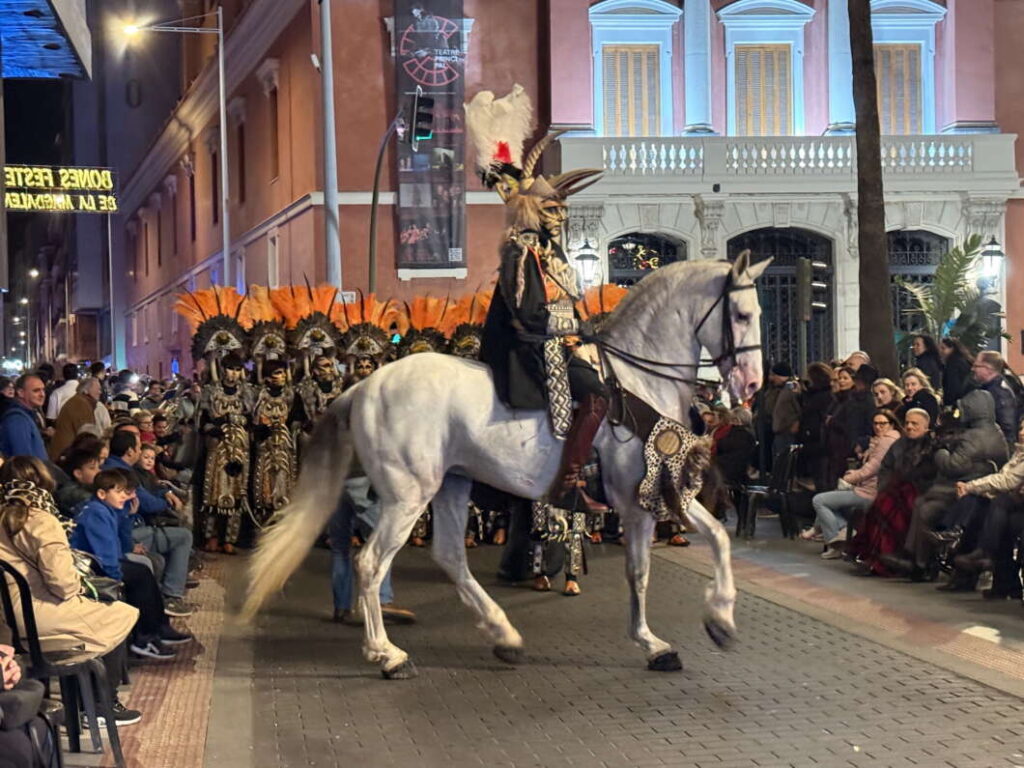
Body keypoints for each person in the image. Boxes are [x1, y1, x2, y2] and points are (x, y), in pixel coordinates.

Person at [471, 104, 607, 515]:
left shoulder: (554, 252)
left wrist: (586, 332)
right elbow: (528, 311)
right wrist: (567, 332)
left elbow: (569, 304)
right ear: (532, 209)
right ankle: (569, 480)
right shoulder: (521, 250)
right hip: (531, 345)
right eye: (551, 209)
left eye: (562, 210)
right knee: (598, 396)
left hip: (559, 340)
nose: (559, 216)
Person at [0, 457, 142, 724]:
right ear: (43, 482)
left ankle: (86, 702)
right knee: (120, 611)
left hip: (6, 620)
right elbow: (63, 585)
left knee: (98, 614)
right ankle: (101, 705)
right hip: (36, 615)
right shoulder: (40, 519)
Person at [70, 469, 191, 660]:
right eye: (119, 492)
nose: (125, 497)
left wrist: (127, 516)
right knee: (139, 576)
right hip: (92, 570)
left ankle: (159, 628)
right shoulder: (96, 513)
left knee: (142, 571)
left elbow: (121, 544)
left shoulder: (107, 510)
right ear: (102, 494)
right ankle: (144, 638)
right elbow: (105, 552)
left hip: (103, 563)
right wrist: (116, 579)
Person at [892, 389, 1008, 580]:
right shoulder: (996, 431)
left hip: (964, 488)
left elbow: (952, 466)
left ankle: (921, 564)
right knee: (923, 504)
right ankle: (918, 561)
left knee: (924, 507)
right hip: (974, 486)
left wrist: (942, 451)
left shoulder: (973, 436)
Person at [103, 431, 193, 615]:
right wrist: (165, 501)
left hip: (131, 528)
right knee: (183, 536)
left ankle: (171, 588)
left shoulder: (122, 469)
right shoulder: (122, 473)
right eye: (138, 447)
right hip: (132, 532)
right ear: (130, 451)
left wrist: (164, 494)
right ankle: (171, 595)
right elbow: (147, 504)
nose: (139, 451)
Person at [847, 408, 936, 576]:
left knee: (893, 507)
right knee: (882, 503)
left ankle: (887, 560)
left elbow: (929, 474)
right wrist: (885, 486)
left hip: (920, 490)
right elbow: (885, 468)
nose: (909, 426)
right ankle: (874, 557)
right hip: (894, 487)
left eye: (914, 423)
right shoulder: (899, 444)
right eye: (907, 423)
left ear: (926, 427)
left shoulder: (931, 446)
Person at [806, 409, 902, 558]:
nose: (878, 427)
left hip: (870, 492)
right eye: (876, 423)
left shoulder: (887, 441)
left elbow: (872, 468)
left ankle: (836, 541)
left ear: (892, 424)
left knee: (819, 500)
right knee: (833, 496)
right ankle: (839, 532)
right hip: (867, 487)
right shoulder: (879, 441)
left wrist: (852, 478)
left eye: (883, 423)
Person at [196, 353, 254, 554]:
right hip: (217, 447)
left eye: (238, 369)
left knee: (237, 490)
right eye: (230, 368)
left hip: (240, 446)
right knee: (213, 491)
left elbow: (252, 417)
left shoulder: (247, 392)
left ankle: (230, 538)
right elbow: (200, 420)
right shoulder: (211, 391)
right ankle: (210, 536)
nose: (234, 373)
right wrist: (211, 428)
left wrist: (236, 420)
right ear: (222, 369)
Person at [251, 360, 297, 525]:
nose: (282, 376)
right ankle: (264, 517)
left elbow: (297, 419)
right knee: (264, 483)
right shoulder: (260, 396)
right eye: (278, 373)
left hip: (284, 445)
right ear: (267, 378)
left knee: (284, 480)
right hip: (265, 445)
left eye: (283, 372)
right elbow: (254, 421)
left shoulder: (290, 395)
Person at [797, 362, 834, 491]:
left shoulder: (822, 397)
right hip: (815, 442)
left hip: (817, 442)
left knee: (821, 479)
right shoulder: (816, 395)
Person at [971, 350, 1018, 446]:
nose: (972, 369)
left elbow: (1008, 429)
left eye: (976, 366)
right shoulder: (989, 388)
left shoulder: (1000, 393)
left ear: (988, 368)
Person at [48, 377, 101, 462]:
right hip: (67, 458)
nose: (100, 392)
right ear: (86, 390)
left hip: (66, 455)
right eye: (98, 389)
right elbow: (86, 436)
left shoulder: (80, 401)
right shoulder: (80, 404)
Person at [0, 375, 48, 461]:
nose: (42, 394)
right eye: (36, 390)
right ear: (21, 392)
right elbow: (23, 460)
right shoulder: (17, 420)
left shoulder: (26, 415)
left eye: (43, 390)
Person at [769, 363, 801, 469]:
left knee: (784, 465)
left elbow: (799, 408)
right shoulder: (781, 389)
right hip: (780, 431)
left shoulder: (792, 388)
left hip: (787, 432)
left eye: (774, 375)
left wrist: (796, 423)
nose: (771, 378)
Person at [939, 337, 974, 407]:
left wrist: (947, 402)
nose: (941, 351)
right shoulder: (964, 360)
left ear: (952, 348)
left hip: (956, 402)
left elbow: (952, 385)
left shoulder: (952, 364)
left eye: (943, 348)